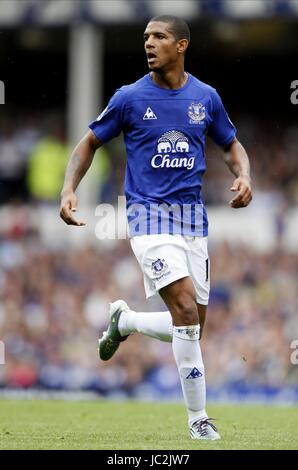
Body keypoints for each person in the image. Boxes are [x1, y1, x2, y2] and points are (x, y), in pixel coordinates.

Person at [60, 15, 252, 440]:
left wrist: (245, 175)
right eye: (146, 37)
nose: (149, 44)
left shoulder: (206, 97)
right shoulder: (129, 98)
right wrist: (68, 189)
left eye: (159, 37)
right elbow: (89, 141)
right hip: (147, 218)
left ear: (181, 45)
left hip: (193, 221)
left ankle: (125, 321)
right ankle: (198, 419)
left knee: (191, 327)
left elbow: (231, 144)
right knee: (184, 311)